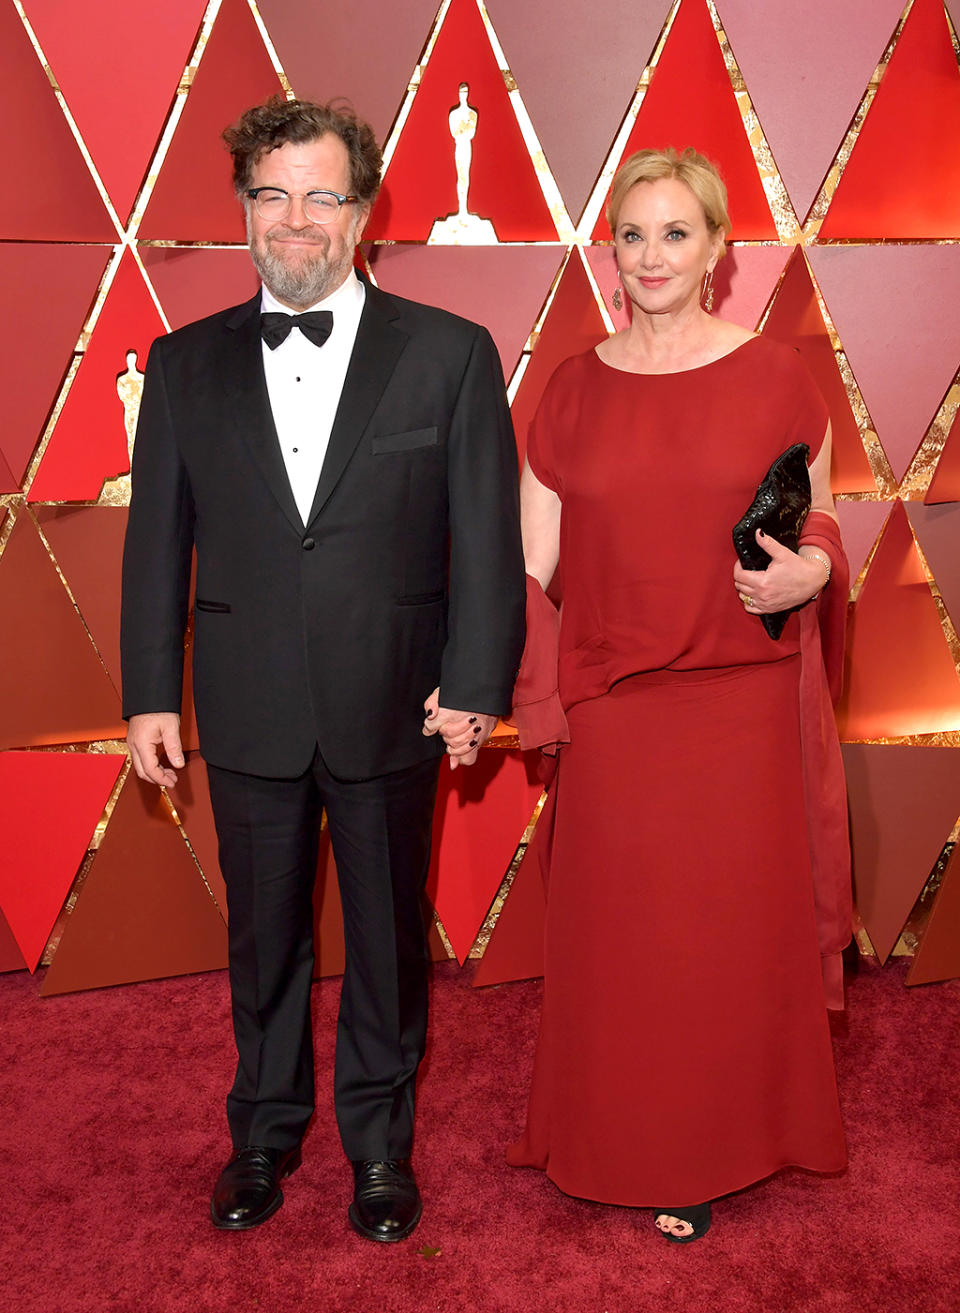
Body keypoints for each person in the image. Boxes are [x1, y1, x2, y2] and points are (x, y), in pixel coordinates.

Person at [121, 95, 525, 1241]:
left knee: (391, 942)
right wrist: (150, 688)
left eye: (321, 195)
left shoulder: (449, 354)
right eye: (271, 194)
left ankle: (382, 1147)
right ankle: (262, 1131)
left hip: (395, 696)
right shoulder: (183, 363)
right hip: (245, 701)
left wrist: (480, 679)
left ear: (364, 211)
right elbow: (158, 540)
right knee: (262, 938)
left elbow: (484, 537)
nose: (295, 220)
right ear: (244, 207)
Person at [507, 147, 851, 1242]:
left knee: (722, 946)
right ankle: (628, 1138)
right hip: (618, 706)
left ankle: (719, 1142)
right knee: (628, 948)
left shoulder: (778, 374)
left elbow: (824, 519)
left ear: (717, 252)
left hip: (740, 708)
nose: (651, 255)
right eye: (632, 233)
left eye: (675, 233)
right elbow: (528, 563)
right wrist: (518, 690)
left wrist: (817, 569)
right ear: (609, 249)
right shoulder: (571, 385)